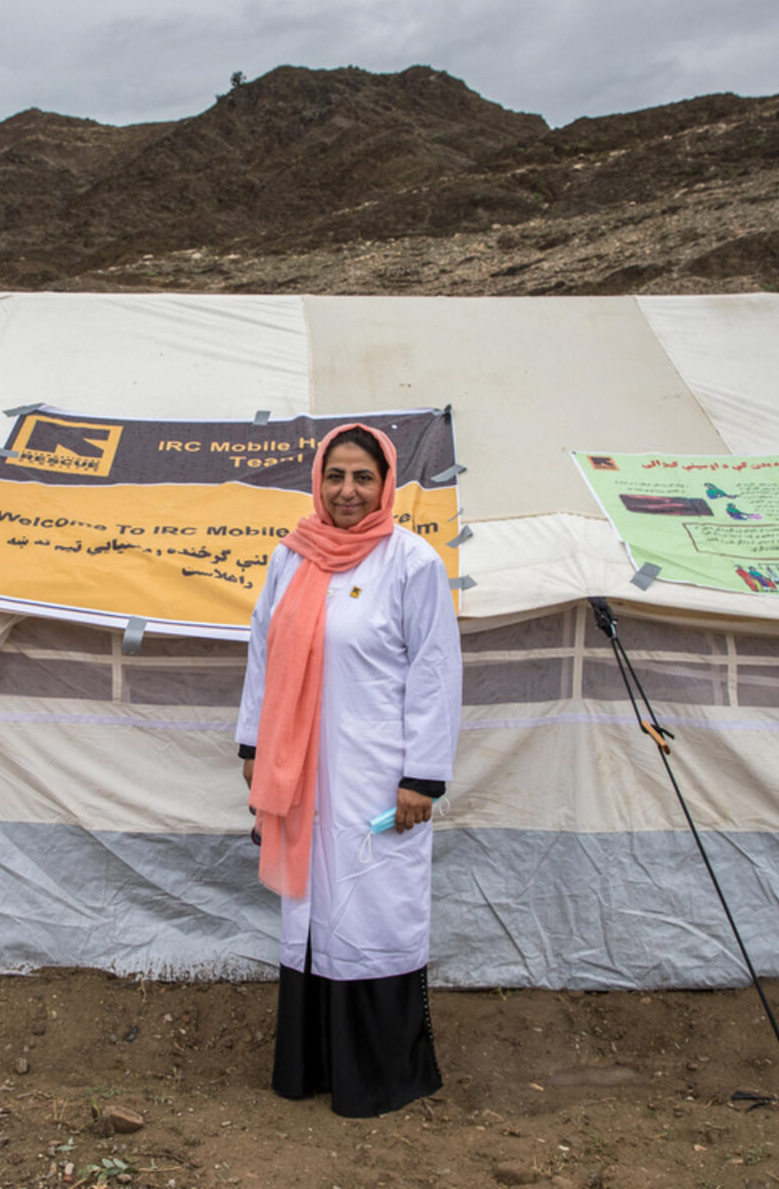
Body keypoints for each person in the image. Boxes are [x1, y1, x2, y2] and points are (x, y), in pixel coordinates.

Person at [235, 421, 462, 1118]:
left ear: (386, 483)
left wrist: (422, 777)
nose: (347, 491)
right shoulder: (290, 558)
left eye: (363, 477)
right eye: (335, 475)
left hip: (376, 778)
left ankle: (379, 1075)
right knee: (309, 915)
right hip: (301, 778)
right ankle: (311, 1067)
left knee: (371, 913)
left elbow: (435, 673)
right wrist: (254, 749)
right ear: (317, 480)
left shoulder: (412, 563)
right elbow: (263, 656)